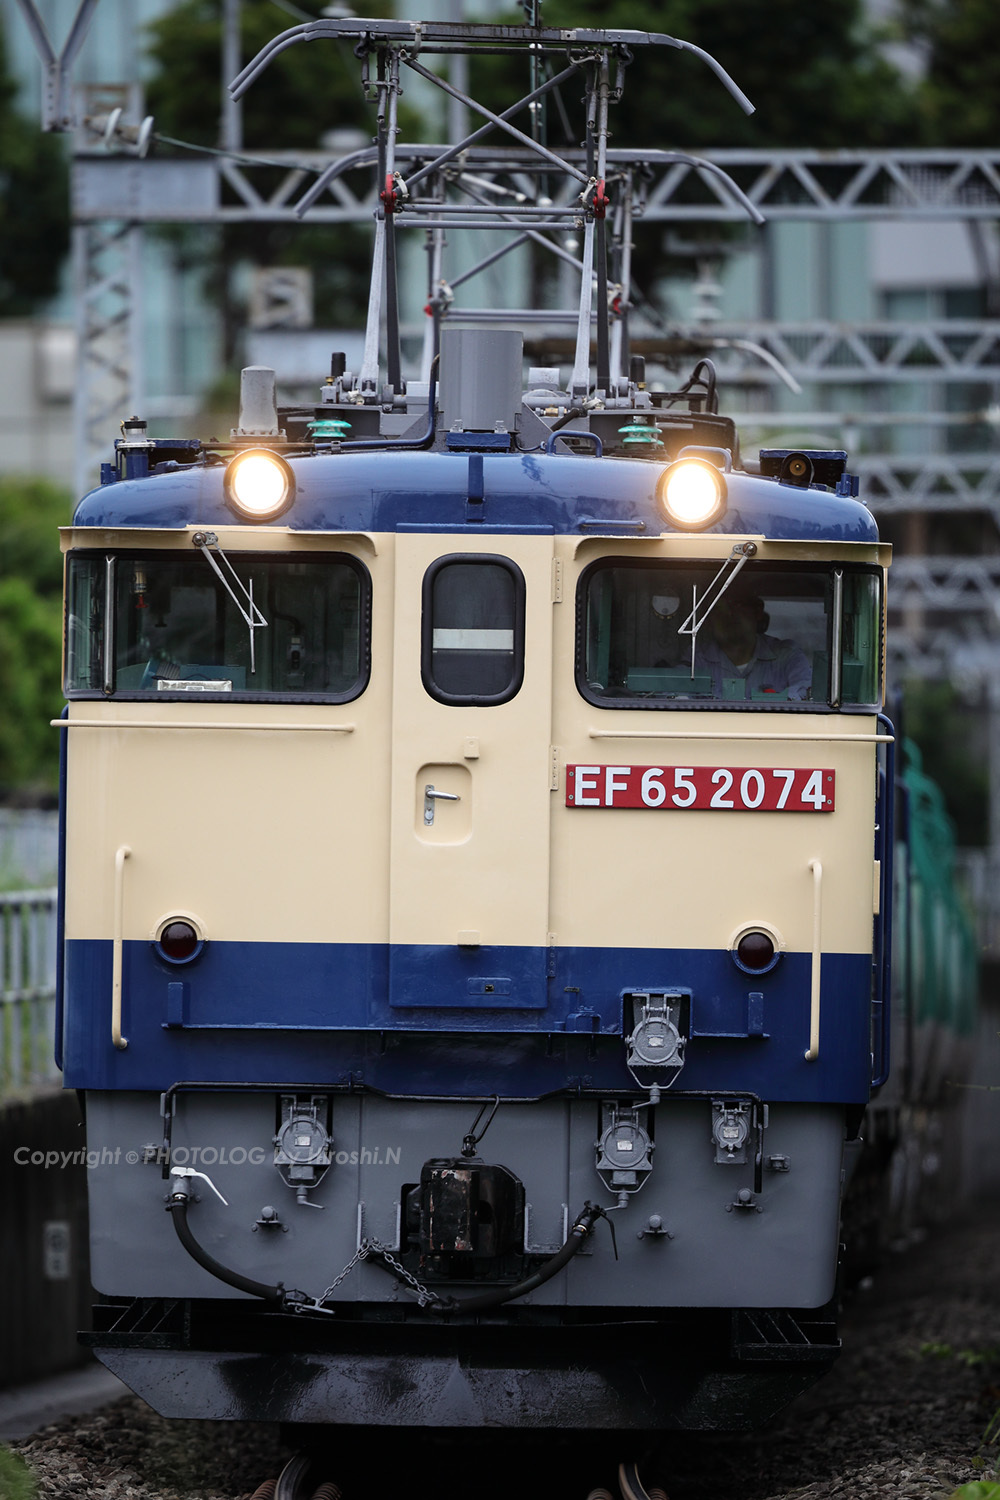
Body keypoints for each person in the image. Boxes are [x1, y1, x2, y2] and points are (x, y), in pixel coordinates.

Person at [695, 584, 812, 700]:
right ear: (707, 621)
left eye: (736, 606)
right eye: (718, 609)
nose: (729, 615)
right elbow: (681, 695)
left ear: (757, 612)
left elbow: (807, 691)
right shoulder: (696, 659)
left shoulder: (787, 655)